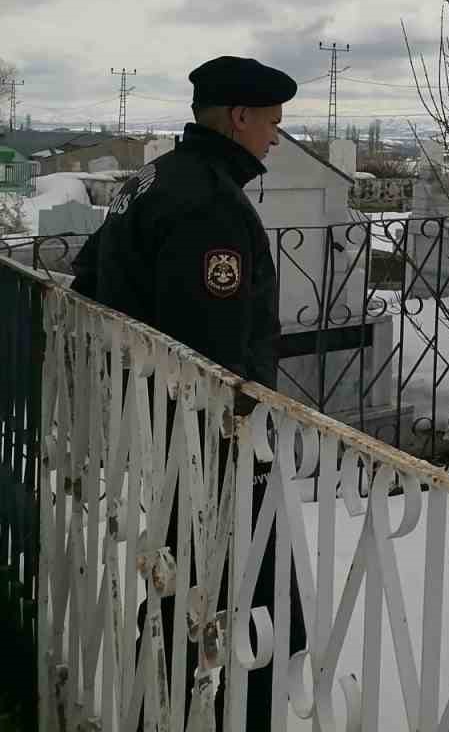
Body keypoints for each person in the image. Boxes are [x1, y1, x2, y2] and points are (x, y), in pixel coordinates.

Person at [72, 54, 304, 730]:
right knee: (242, 600)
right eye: (271, 121)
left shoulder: (154, 177)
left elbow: (89, 277)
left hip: (155, 418)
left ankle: (164, 704)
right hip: (210, 438)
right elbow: (214, 352)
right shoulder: (210, 204)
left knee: (186, 579)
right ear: (239, 116)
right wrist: (245, 440)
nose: (276, 136)